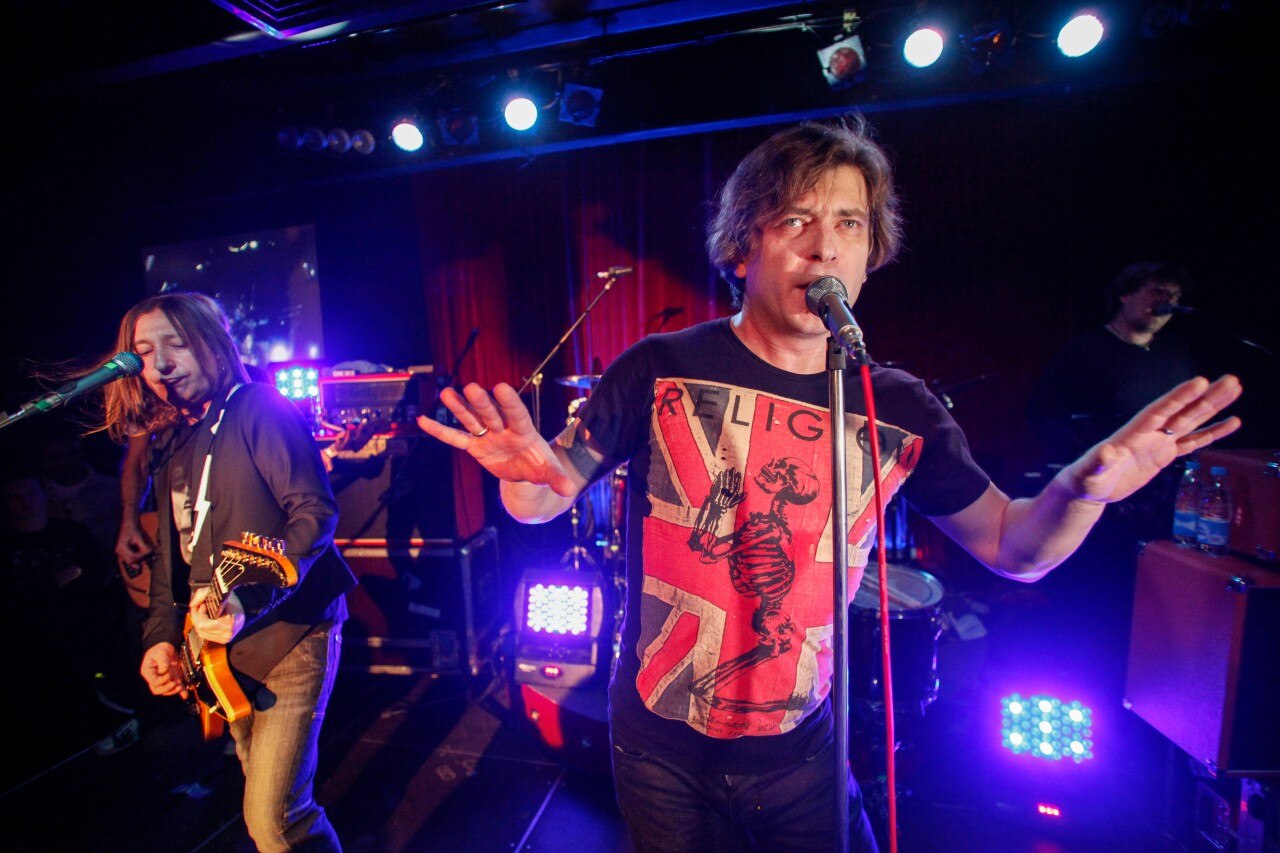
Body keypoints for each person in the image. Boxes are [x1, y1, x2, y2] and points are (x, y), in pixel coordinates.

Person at [416, 116, 1242, 851]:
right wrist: (526, 481)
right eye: (797, 221)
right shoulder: (659, 367)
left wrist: (1083, 490)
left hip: (806, 753)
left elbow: (1013, 546)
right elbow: (542, 494)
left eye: (849, 223)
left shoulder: (897, 404)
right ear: (744, 246)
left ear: (871, 253)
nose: (825, 247)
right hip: (659, 748)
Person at [99, 291, 355, 852]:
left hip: (291, 633)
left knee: (274, 820)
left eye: (175, 344)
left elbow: (314, 513)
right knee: (266, 801)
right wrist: (161, 638)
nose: (160, 364)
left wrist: (250, 598)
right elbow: (174, 557)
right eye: (144, 351)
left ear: (213, 345)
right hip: (218, 651)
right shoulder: (172, 437)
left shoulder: (258, 406)